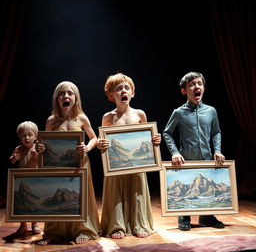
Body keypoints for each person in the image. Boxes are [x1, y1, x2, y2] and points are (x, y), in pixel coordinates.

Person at [97, 73, 161, 239]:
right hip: (116, 166)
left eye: (127, 88)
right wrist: (100, 144)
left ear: (133, 93)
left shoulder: (139, 114)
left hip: (136, 166)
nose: (123, 91)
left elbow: (147, 139)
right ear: (111, 95)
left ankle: (138, 223)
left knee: (137, 193)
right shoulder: (108, 117)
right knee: (116, 194)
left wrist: (154, 140)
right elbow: (103, 142)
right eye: (119, 89)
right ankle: (117, 226)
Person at [36, 81, 100, 245]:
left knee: (80, 196)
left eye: (70, 93)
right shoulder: (51, 121)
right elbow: (45, 143)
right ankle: (54, 232)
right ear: (57, 99)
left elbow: (94, 138)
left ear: (75, 98)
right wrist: (40, 147)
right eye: (62, 93)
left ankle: (83, 229)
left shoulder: (81, 118)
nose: (66, 96)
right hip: (58, 166)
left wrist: (87, 148)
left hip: (79, 164)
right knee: (58, 198)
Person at [163, 71, 225, 231]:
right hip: (187, 159)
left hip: (206, 158)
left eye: (199, 83)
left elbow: (216, 132)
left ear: (203, 88)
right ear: (184, 90)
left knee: (206, 188)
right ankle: (184, 216)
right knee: (187, 188)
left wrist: (217, 150)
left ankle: (207, 216)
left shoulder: (211, 111)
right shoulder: (178, 112)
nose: (196, 87)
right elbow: (167, 133)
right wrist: (175, 152)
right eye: (192, 85)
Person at [10, 121, 41, 235]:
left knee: (33, 203)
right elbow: (12, 160)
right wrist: (14, 157)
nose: (26, 138)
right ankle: (23, 225)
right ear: (19, 137)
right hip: (21, 180)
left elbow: (43, 162)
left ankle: (35, 223)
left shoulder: (37, 148)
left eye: (29, 135)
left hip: (34, 180)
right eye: (23, 136)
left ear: (36, 136)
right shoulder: (19, 148)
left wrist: (37, 157)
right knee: (21, 203)